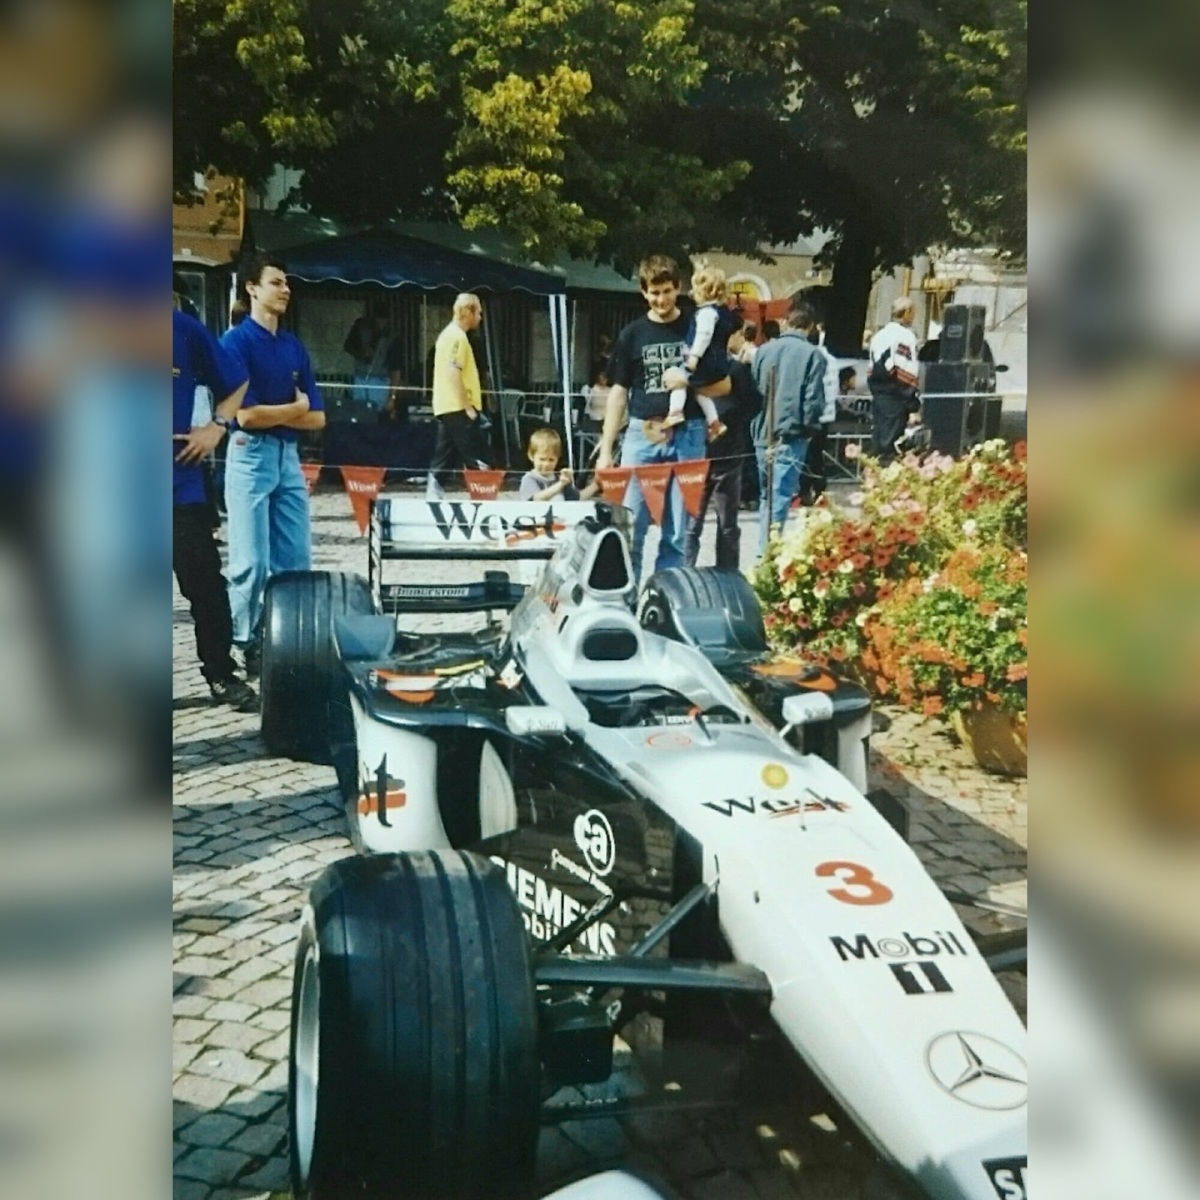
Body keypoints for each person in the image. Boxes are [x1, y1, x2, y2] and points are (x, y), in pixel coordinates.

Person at [220, 252, 326, 676]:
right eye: (276, 282)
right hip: (249, 453)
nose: (285, 289)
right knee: (250, 562)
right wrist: (295, 408)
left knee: (296, 561)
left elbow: (318, 418)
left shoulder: (293, 346)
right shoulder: (235, 342)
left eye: (286, 283)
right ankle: (242, 642)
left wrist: (280, 413)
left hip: (287, 457)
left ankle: (285, 641)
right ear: (252, 288)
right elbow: (245, 416)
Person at [596, 254, 706, 581]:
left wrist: (690, 381)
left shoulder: (696, 328)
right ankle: (627, 599)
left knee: (677, 532)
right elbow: (618, 393)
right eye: (654, 293)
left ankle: (666, 597)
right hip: (642, 434)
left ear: (679, 288)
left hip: (687, 433)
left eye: (667, 291)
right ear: (644, 292)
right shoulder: (632, 334)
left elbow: (721, 383)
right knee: (630, 525)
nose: (661, 299)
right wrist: (606, 449)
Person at [172, 308, 257, 710]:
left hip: (178, 487)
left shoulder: (182, 328)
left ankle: (221, 674)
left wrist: (217, 427)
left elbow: (236, 381)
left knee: (206, 589)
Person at [750, 298, 826, 554]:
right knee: (781, 496)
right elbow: (813, 399)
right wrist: (810, 429)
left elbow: (754, 390)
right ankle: (767, 555)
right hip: (791, 433)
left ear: (786, 322)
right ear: (811, 326)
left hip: (762, 431)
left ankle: (763, 549)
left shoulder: (763, 351)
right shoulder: (813, 354)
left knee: (766, 495)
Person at [684, 324, 761, 570]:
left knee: (694, 522)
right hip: (723, 449)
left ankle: (687, 570)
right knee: (722, 522)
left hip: (706, 451)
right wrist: (735, 423)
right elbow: (754, 404)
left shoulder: (690, 368)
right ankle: (725, 572)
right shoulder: (735, 368)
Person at [661, 262, 738, 442]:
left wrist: (694, 357)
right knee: (700, 392)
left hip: (704, 362)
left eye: (695, 290)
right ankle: (714, 423)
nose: (692, 294)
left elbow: (703, 335)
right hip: (718, 363)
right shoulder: (723, 312)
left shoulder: (706, 313)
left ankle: (675, 411)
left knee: (679, 379)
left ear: (705, 291)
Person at [426, 293, 491, 500]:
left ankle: (433, 495)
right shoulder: (458, 338)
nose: (480, 317)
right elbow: (453, 373)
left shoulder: (446, 335)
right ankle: (485, 498)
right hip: (458, 407)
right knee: (477, 455)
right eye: (478, 312)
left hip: (446, 405)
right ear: (467, 312)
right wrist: (468, 406)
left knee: (444, 456)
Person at [867, 296, 921, 463]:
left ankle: (874, 474)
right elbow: (907, 370)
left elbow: (872, 368)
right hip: (897, 396)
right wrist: (913, 404)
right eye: (913, 312)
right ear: (906, 313)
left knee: (878, 442)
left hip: (879, 396)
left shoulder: (878, 336)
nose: (914, 316)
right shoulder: (905, 336)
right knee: (892, 446)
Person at [798, 323, 841, 505]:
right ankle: (819, 488)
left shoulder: (808, 357)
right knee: (818, 452)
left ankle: (805, 489)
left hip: (810, 413)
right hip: (826, 413)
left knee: (806, 454)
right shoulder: (831, 359)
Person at [519, 427, 580, 501]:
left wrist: (568, 483)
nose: (546, 464)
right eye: (542, 459)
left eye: (551, 460)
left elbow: (576, 499)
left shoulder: (559, 478)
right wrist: (561, 484)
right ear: (531, 456)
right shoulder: (529, 479)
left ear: (558, 459)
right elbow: (535, 500)